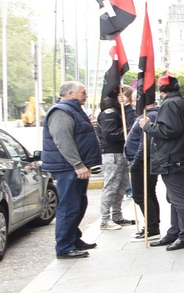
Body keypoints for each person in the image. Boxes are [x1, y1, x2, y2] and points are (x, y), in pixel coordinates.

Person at [41, 81, 102, 259]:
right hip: (68, 167)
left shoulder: (72, 110)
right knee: (69, 206)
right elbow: (63, 140)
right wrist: (78, 164)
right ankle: (65, 246)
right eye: (83, 92)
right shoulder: (61, 111)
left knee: (78, 204)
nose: (86, 95)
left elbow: (75, 133)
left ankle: (73, 238)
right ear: (70, 93)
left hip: (74, 167)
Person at [139, 74, 184, 250]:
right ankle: (175, 231)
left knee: (178, 197)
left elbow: (169, 130)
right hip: (179, 155)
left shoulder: (170, 104)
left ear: (161, 90)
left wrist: (147, 126)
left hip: (171, 157)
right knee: (174, 197)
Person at [94, 85, 134, 230]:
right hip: (113, 154)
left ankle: (117, 215)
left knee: (121, 186)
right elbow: (110, 135)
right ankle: (105, 219)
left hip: (119, 153)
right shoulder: (110, 113)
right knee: (111, 186)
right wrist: (128, 130)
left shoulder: (116, 112)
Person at [125, 86, 159, 240]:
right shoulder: (149, 115)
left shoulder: (148, 116)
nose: (133, 102)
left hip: (142, 162)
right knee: (149, 194)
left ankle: (152, 227)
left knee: (142, 195)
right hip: (145, 161)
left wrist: (137, 162)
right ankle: (152, 225)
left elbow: (144, 143)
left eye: (135, 99)